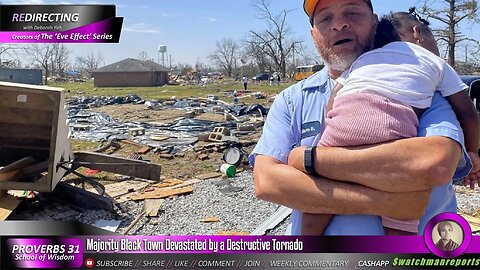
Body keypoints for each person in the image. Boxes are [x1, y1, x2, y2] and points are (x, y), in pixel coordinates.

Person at [250, 0, 474, 236]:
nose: (339, 25)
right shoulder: (292, 99)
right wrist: (385, 202)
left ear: (374, 23)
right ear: (313, 34)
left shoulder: (421, 86)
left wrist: (309, 161)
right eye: (325, 19)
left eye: (352, 12)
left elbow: (435, 163)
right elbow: (267, 182)